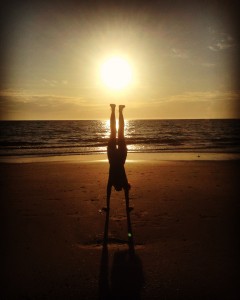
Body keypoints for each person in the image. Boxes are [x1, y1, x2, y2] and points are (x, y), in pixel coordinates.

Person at [106, 104, 131, 211]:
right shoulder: (112, 180)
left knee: (120, 132)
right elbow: (108, 192)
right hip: (113, 156)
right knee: (114, 132)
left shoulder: (123, 181)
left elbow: (126, 192)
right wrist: (107, 206)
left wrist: (127, 207)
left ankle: (119, 110)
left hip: (121, 156)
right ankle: (113, 109)